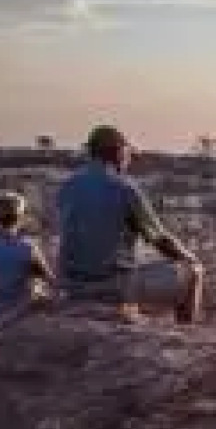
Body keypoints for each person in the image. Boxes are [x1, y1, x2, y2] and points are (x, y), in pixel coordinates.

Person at [55, 125, 203, 323]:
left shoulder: (67, 187)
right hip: (111, 287)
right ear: (117, 153)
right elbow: (160, 240)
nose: (128, 159)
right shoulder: (124, 188)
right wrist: (189, 258)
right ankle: (186, 335)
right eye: (127, 153)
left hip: (71, 287)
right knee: (193, 272)